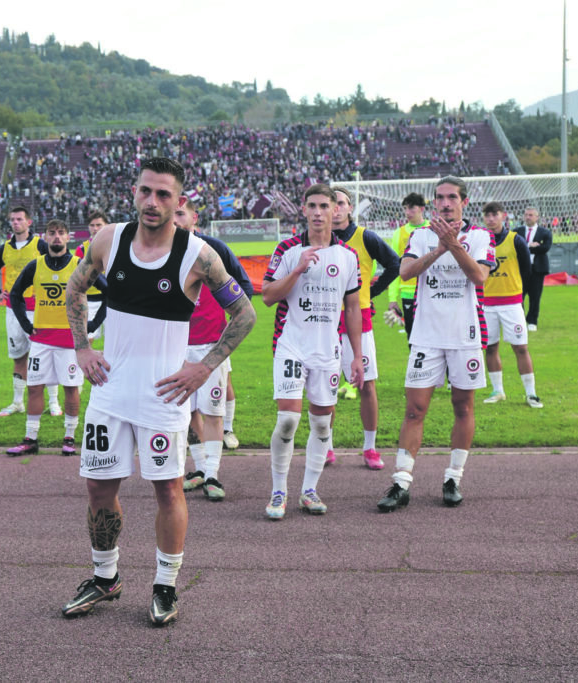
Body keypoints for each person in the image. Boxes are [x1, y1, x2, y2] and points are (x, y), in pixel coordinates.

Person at [60, 157, 255, 626]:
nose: (152, 202)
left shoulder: (198, 255)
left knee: (168, 489)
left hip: (165, 397)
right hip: (109, 390)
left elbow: (245, 314)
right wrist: (83, 348)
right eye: (146, 191)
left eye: (163, 194)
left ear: (179, 201)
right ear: (135, 192)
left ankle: (165, 585)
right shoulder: (109, 239)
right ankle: (105, 578)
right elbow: (75, 288)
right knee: (98, 487)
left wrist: (204, 367)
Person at [377, 176, 495, 512]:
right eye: (440, 198)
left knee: (463, 407)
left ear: (464, 201)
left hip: (465, 335)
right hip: (426, 335)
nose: (445, 203)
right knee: (414, 410)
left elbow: (479, 276)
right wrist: (440, 246)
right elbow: (406, 272)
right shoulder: (420, 235)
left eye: (452, 197)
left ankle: (453, 478)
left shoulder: (481, 236)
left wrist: (454, 244)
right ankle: (401, 482)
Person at [261, 183, 365, 521]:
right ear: (303, 210)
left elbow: (353, 309)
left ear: (337, 210)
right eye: (312, 206)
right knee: (288, 420)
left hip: (327, 351)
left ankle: (309, 490)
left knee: (322, 426)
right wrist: (297, 269)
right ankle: (279, 491)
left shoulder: (348, 257)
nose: (319, 212)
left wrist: (357, 356)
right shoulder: (288, 249)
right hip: (291, 345)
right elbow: (268, 296)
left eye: (325, 206)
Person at [173, 200, 254, 500]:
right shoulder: (161, 252)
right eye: (173, 215)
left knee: (213, 412)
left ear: (194, 218)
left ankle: (213, 475)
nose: (175, 220)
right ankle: (199, 468)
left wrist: (228, 317)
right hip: (176, 348)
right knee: (189, 410)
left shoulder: (213, 248)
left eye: (181, 214)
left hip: (211, 346)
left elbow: (244, 286)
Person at [5, 219, 106, 456]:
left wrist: (92, 323)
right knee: (35, 387)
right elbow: (16, 294)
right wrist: (26, 324)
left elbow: (108, 292)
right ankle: (30, 439)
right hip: (41, 339)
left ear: (68, 237)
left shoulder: (79, 264)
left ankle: (69, 437)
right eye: (52, 233)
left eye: (61, 233)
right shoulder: (35, 265)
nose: (57, 237)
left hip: (70, 342)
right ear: (45, 237)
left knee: (71, 389)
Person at [328, 185, 399, 470]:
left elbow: (394, 264)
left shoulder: (365, 237)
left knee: (367, 384)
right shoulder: (315, 239)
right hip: (323, 320)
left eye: (341, 203)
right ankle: (326, 447)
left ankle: (370, 448)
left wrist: (372, 292)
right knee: (325, 387)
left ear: (349, 208)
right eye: (331, 203)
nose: (336, 208)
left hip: (360, 319)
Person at [0, 206, 61, 417]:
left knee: (46, 355)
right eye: (12, 219)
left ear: (28, 222)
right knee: (18, 357)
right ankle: (17, 402)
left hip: (39, 309)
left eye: (19, 219)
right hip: (12, 310)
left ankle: (53, 402)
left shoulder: (40, 244)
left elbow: (58, 264)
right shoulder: (4, 248)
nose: (15, 223)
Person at [480, 202, 542, 408]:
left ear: (503, 216)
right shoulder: (480, 241)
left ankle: (531, 394)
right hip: (486, 304)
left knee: (521, 348)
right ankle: (498, 391)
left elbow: (526, 271)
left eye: (494, 214)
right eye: (487, 215)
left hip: (511, 304)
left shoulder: (516, 240)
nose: (491, 219)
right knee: (490, 348)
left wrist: (514, 291)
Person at [387, 193, 429, 339]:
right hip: (408, 292)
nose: (407, 212)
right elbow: (394, 267)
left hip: (431, 291)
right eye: (405, 208)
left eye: (411, 208)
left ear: (422, 209)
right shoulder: (399, 233)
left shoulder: (434, 229)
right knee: (412, 337)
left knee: (435, 337)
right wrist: (393, 298)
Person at [514, 207, 551, 331]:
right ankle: (520, 320)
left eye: (530, 215)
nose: (528, 217)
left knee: (535, 296)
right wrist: (529, 245)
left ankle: (532, 321)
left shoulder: (545, 232)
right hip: (520, 269)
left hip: (538, 269)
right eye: (526, 214)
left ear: (537, 217)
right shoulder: (516, 231)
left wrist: (523, 245)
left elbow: (544, 248)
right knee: (519, 296)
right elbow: (515, 247)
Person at [75, 210, 108, 341]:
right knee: (87, 341)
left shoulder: (116, 246)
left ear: (106, 225)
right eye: (92, 225)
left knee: (115, 343)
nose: (95, 229)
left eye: (99, 225)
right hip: (89, 300)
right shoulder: (82, 249)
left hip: (111, 301)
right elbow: (75, 277)